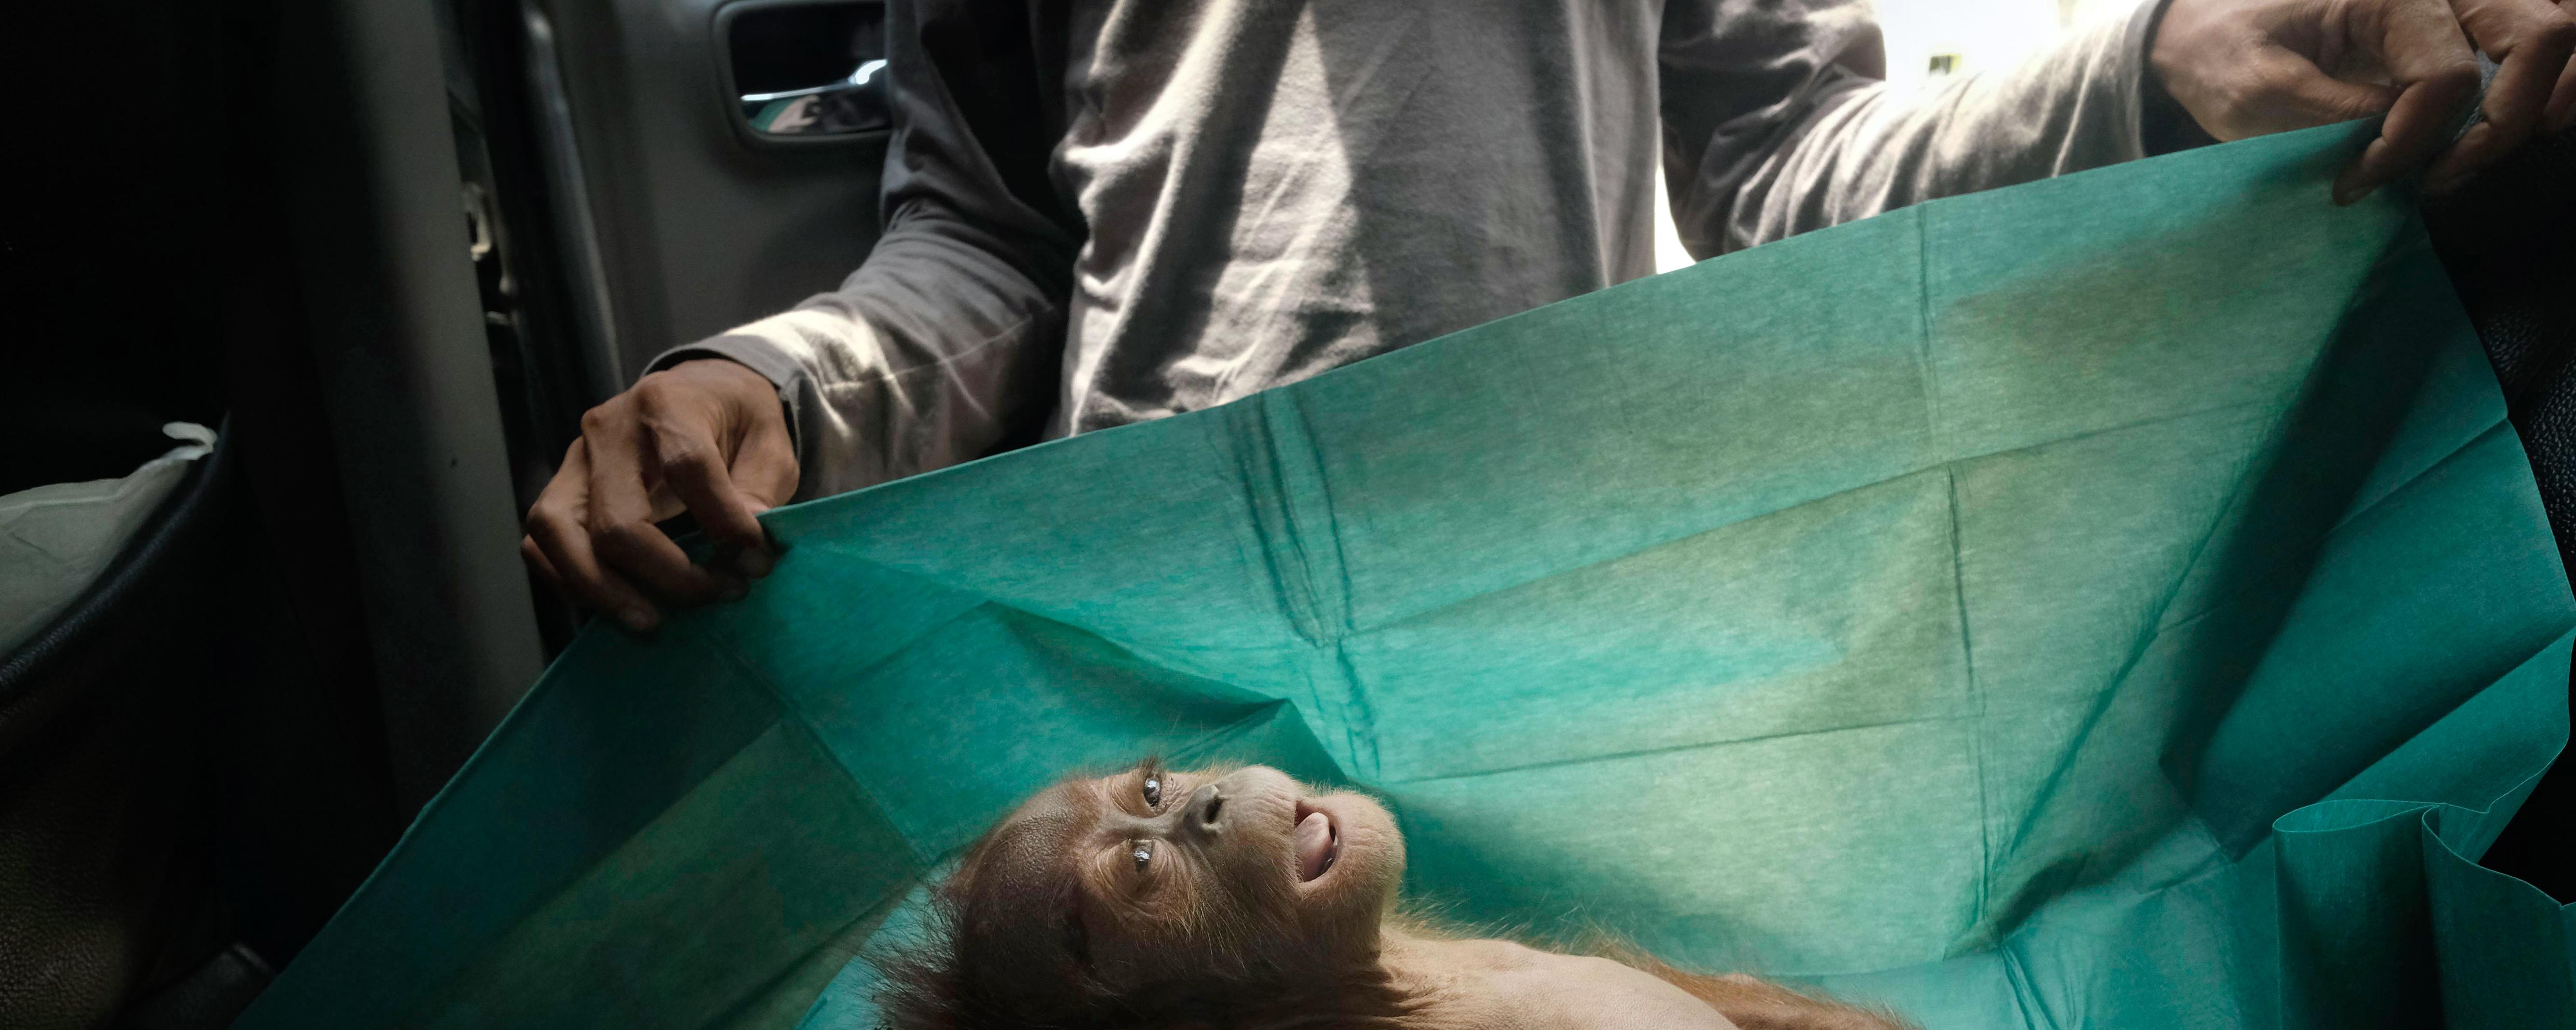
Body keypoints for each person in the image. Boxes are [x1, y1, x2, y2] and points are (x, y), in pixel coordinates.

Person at [521, 0, 2574, 633]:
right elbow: (983, 251)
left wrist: (2148, 73)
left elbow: (1782, 164)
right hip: (1136, 620)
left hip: (1551, 616)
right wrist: (769, 379)